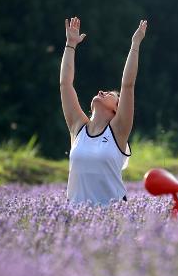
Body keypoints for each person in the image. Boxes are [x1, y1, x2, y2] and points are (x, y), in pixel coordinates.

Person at [60, 16, 147, 206]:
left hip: (112, 217)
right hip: (76, 218)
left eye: (109, 94)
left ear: (117, 109)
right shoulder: (77, 127)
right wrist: (70, 45)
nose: (101, 92)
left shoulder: (118, 130)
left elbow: (128, 85)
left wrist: (135, 44)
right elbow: (65, 84)